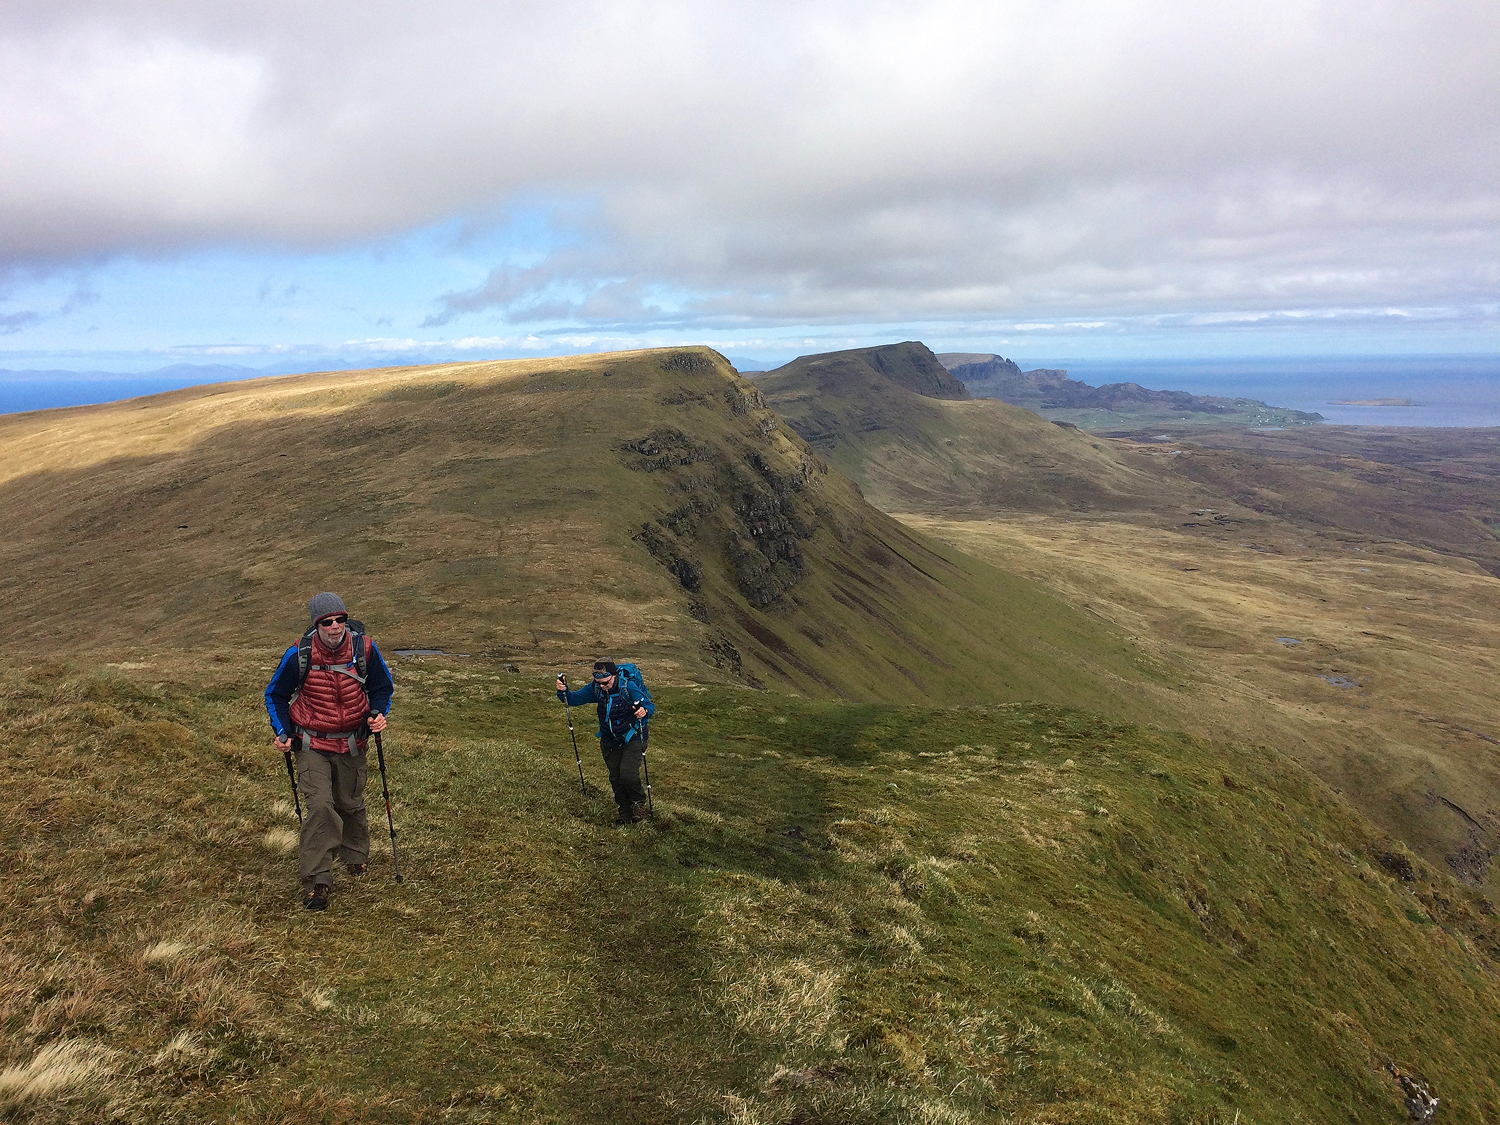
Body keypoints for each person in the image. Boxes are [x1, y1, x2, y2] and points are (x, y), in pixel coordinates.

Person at [264, 593, 394, 910]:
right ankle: (317, 881)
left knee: (349, 802)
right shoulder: (299, 654)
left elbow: (382, 687)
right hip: (312, 743)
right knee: (321, 805)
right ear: (316, 624)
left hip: (352, 741)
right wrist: (282, 732)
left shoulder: (364, 648)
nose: (335, 627)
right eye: (327, 622)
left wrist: (377, 713)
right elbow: (275, 695)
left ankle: (354, 854)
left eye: (340, 620)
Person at [556, 659, 655, 824]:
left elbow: (649, 706)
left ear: (614, 676)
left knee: (628, 774)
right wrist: (563, 691)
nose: (602, 686)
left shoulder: (628, 687)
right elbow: (572, 699)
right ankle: (625, 814)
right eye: (599, 683)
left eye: (605, 683)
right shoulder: (596, 688)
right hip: (609, 739)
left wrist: (644, 711)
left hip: (634, 735)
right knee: (615, 778)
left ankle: (639, 805)